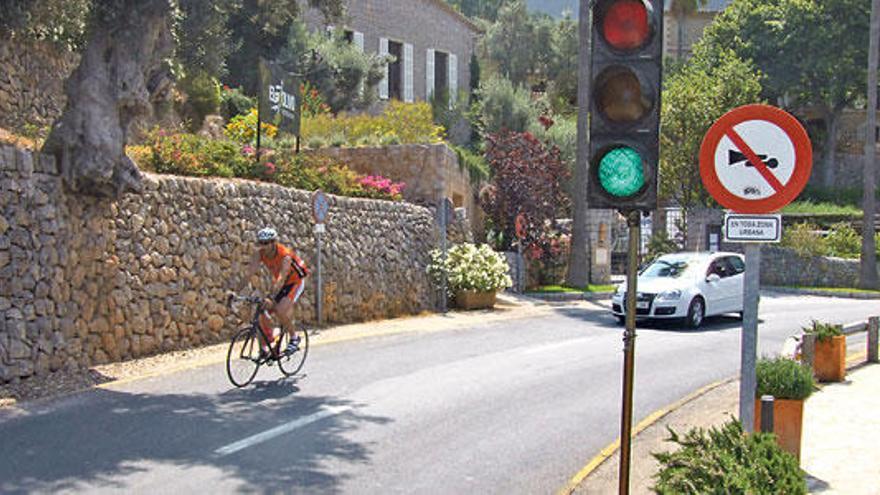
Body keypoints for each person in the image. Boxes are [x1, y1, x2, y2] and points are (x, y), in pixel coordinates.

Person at [238, 227, 309, 356]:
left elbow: (282, 278)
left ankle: (294, 338)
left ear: (274, 243)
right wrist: (235, 292)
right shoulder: (259, 254)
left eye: (266, 243)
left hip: (295, 281)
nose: (263, 246)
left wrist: (271, 297)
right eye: (260, 243)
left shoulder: (285, 255)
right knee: (260, 312)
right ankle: (265, 346)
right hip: (279, 283)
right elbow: (249, 273)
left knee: (280, 310)